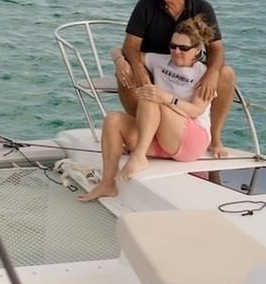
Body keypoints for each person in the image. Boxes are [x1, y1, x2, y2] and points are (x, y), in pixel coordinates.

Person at [111, 0, 237, 158]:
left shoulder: (202, 8)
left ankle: (215, 138)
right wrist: (138, 68)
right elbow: (130, 47)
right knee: (126, 73)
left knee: (226, 74)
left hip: (189, 69)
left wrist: (212, 73)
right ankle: (143, 133)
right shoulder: (146, 6)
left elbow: (216, 48)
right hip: (154, 67)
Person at [79, 16, 217, 201]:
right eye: (173, 46)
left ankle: (139, 156)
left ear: (197, 50)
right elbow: (117, 50)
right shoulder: (159, 60)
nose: (176, 52)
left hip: (191, 140)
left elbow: (196, 111)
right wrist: (120, 60)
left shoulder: (203, 73)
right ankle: (107, 184)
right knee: (112, 120)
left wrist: (166, 98)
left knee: (150, 94)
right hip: (160, 140)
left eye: (183, 48)